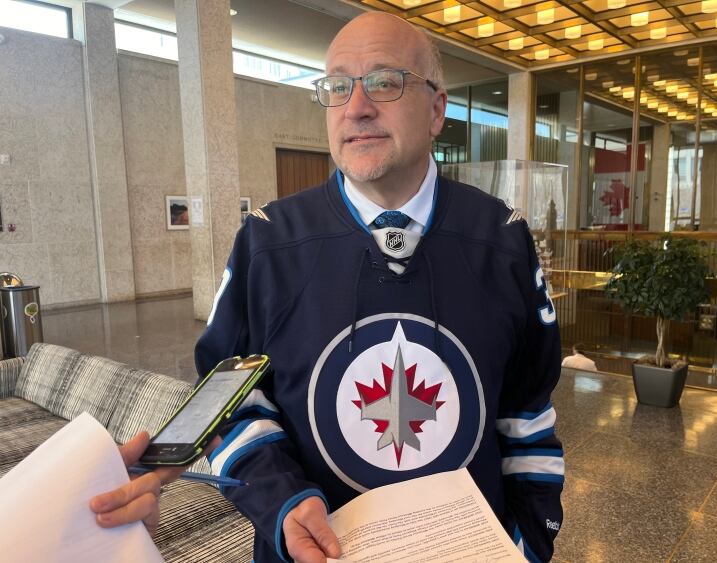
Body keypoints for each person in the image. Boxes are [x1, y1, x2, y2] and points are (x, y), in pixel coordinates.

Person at [90, 12, 564, 563]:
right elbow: (230, 402)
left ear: (437, 110)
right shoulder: (267, 242)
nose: (356, 107)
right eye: (338, 87)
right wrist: (282, 504)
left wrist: (530, 540)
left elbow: (527, 411)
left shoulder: (502, 240)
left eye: (385, 82)